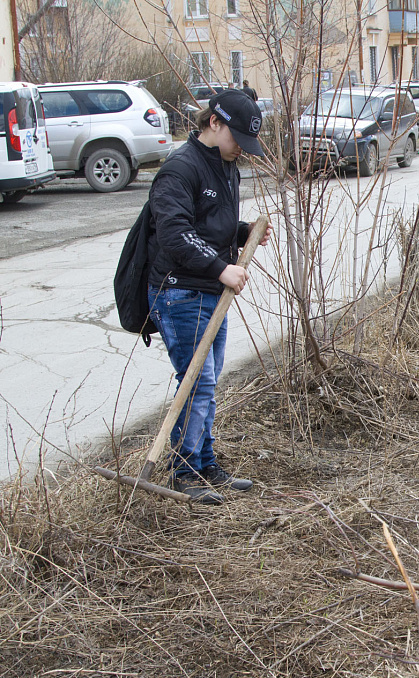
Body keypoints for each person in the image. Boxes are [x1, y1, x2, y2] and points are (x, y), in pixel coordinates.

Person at [146, 89, 271, 505]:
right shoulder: (179, 169)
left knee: (206, 383)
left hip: (210, 292)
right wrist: (222, 268)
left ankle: (205, 464)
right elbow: (175, 233)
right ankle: (184, 473)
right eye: (237, 137)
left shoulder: (224, 164)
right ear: (214, 123)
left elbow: (210, 222)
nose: (241, 149)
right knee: (196, 384)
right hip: (179, 292)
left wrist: (242, 232)